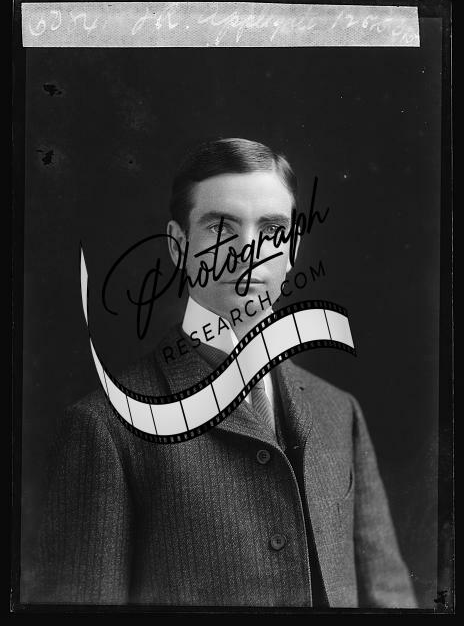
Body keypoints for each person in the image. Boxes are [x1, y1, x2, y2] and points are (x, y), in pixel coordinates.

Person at [28, 138, 417, 608]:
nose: (249, 250)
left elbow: (389, 598)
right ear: (178, 245)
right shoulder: (105, 426)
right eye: (220, 227)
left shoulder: (340, 411)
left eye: (272, 229)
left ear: (292, 249)